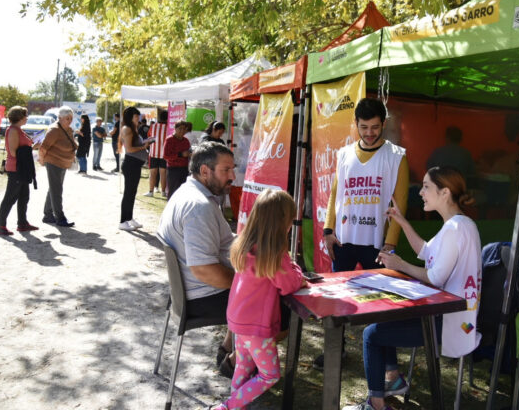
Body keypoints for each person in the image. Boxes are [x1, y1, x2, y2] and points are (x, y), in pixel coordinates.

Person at [342, 166, 482, 410]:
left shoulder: (455, 228)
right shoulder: (461, 225)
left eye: (427, 186)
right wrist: (401, 220)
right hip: (454, 317)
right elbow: (426, 251)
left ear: (445, 192)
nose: (421, 192)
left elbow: (436, 278)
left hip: (445, 322)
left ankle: (375, 405)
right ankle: (393, 381)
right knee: (381, 325)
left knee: (371, 335)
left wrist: (400, 264)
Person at [317, 97, 410, 369]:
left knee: (383, 305)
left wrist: (390, 245)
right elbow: (336, 194)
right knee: (337, 302)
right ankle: (336, 351)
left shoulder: (397, 156)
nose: (369, 133)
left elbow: (400, 205)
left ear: (383, 124)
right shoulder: (344, 154)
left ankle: (389, 365)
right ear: (355, 124)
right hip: (343, 242)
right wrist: (328, 230)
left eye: (375, 127)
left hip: (376, 245)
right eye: (364, 127)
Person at [210, 189, 305, 410]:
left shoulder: (245, 245)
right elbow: (290, 284)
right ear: (283, 223)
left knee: (243, 365)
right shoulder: (273, 254)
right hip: (254, 326)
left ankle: (235, 405)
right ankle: (227, 407)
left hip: (239, 321)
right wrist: (298, 271)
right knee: (270, 375)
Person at [156, 142, 238, 377]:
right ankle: (237, 363)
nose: (232, 176)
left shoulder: (187, 192)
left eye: (233, 169)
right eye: (226, 170)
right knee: (276, 307)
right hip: (201, 296)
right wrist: (247, 281)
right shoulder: (198, 206)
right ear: (204, 171)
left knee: (260, 287)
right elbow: (204, 270)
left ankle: (229, 347)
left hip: (187, 292)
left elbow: (220, 240)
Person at [0, 106, 39, 235]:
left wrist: (34, 146)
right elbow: (13, 152)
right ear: (20, 117)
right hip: (16, 168)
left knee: (24, 196)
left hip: (22, 167)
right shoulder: (13, 130)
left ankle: (22, 223)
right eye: (25, 115)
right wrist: (31, 148)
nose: (27, 117)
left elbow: (23, 148)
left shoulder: (19, 130)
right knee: (10, 197)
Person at [39, 105, 77, 227]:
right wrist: (41, 160)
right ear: (60, 117)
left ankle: (48, 215)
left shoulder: (68, 129)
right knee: (57, 190)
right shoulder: (54, 130)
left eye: (71, 118)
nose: (70, 120)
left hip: (63, 163)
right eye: (67, 118)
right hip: (54, 162)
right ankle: (60, 218)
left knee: (54, 188)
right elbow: (43, 147)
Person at [119, 106, 153, 231]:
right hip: (130, 164)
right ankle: (123, 220)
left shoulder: (133, 129)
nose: (138, 118)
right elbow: (129, 149)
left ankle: (129, 218)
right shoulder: (127, 129)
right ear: (130, 117)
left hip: (135, 164)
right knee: (128, 193)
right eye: (136, 116)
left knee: (132, 193)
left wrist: (145, 142)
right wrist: (144, 146)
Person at [163, 120, 192, 200]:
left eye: (184, 129)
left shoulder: (186, 141)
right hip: (173, 170)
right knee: (173, 192)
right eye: (180, 128)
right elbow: (166, 156)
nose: (182, 131)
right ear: (175, 128)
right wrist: (180, 154)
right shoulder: (169, 140)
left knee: (183, 193)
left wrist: (190, 154)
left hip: (184, 169)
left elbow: (189, 151)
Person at [145, 110, 168, 197]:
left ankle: (151, 191)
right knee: (163, 173)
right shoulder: (169, 127)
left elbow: (150, 137)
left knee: (152, 173)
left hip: (153, 152)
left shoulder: (153, 126)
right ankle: (163, 192)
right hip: (164, 154)